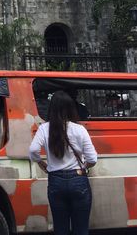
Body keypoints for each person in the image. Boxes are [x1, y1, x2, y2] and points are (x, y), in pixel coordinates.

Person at [29, 90, 97, 235]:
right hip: (78, 180)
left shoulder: (43, 128)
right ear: (70, 108)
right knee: (81, 229)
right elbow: (92, 159)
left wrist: (41, 164)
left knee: (60, 229)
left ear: (51, 108)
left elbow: (33, 150)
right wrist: (83, 168)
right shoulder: (79, 130)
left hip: (55, 181)